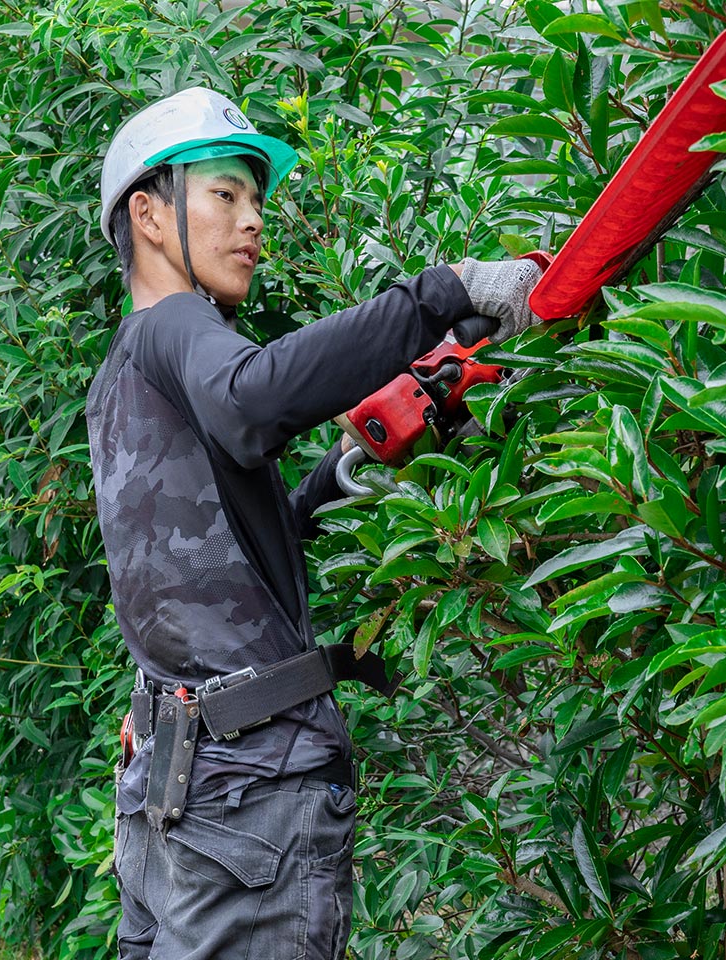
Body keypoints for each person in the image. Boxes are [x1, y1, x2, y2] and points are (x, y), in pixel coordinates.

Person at [86, 86, 543, 960]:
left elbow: (246, 558)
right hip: (224, 793)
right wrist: (443, 293)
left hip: (190, 790)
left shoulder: (123, 379)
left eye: (257, 200)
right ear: (149, 215)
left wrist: (349, 473)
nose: (253, 221)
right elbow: (254, 401)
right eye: (225, 194)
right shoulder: (173, 331)